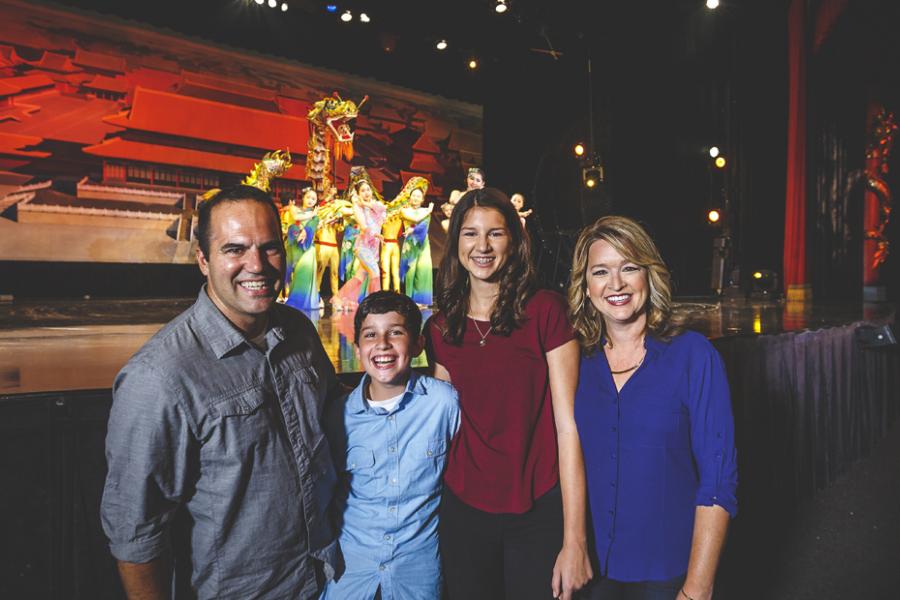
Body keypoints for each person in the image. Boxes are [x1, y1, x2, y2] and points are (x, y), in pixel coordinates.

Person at [101, 185, 343, 599]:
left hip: (326, 581)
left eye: (270, 248)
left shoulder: (299, 331)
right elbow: (135, 531)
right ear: (203, 260)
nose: (257, 265)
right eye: (235, 249)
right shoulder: (159, 376)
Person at [425, 188, 592, 600]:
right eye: (470, 234)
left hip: (537, 506)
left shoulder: (546, 311)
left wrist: (576, 541)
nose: (482, 246)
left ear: (513, 241)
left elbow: (569, 427)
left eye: (495, 234)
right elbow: (443, 426)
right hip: (463, 509)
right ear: (455, 242)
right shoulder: (443, 327)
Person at [567, 216, 738, 600]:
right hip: (593, 573)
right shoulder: (576, 362)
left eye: (629, 268)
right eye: (600, 271)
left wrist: (697, 589)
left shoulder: (694, 355)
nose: (616, 284)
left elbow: (718, 480)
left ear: (649, 275)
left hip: (670, 573)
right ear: (585, 286)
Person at [321, 291, 460, 600]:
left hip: (418, 576)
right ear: (357, 349)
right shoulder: (336, 415)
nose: (382, 344)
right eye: (371, 335)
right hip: (351, 575)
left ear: (418, 344)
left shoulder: (443, 403)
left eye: (395, 332)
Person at [335, 168, 386, 311]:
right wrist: (375, 233)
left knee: (360, 276)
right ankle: (375, 304)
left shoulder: (376, 205)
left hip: (374, 248)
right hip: (363, 246)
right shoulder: (357, 208)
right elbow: (363, 226)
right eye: (363, 191)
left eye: (368, 190)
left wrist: (368, 205)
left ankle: (341, 299)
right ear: (357, 193)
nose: (366, 193)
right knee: (375, 272)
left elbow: (383, 209)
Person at [398, 177, 434, 307]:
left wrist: (413, 230)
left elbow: (424, 226)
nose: (416, 198)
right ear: (409, 197)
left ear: (422, 199)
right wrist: (429, 210)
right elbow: (414, 218)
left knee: (423, 270)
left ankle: (421, 300)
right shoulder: (404, 210)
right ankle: (409, 299)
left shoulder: (425, 212)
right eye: (413, 195)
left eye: (419, 196)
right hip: (410, 245)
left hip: (423, 244)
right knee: (410, 271)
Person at [285, 187, 321, 310]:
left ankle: (299, 302)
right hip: (295, 248)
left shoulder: (316, 218)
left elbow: (312, 226)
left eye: (314, 199)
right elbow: (296, 217)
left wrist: (306, 231)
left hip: (308, 250)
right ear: (303, 198)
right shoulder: (295, 209)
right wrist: (312, 214)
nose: (311, 200)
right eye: (308, 197)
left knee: (302, 273)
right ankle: (295, 300)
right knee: (294, 275)